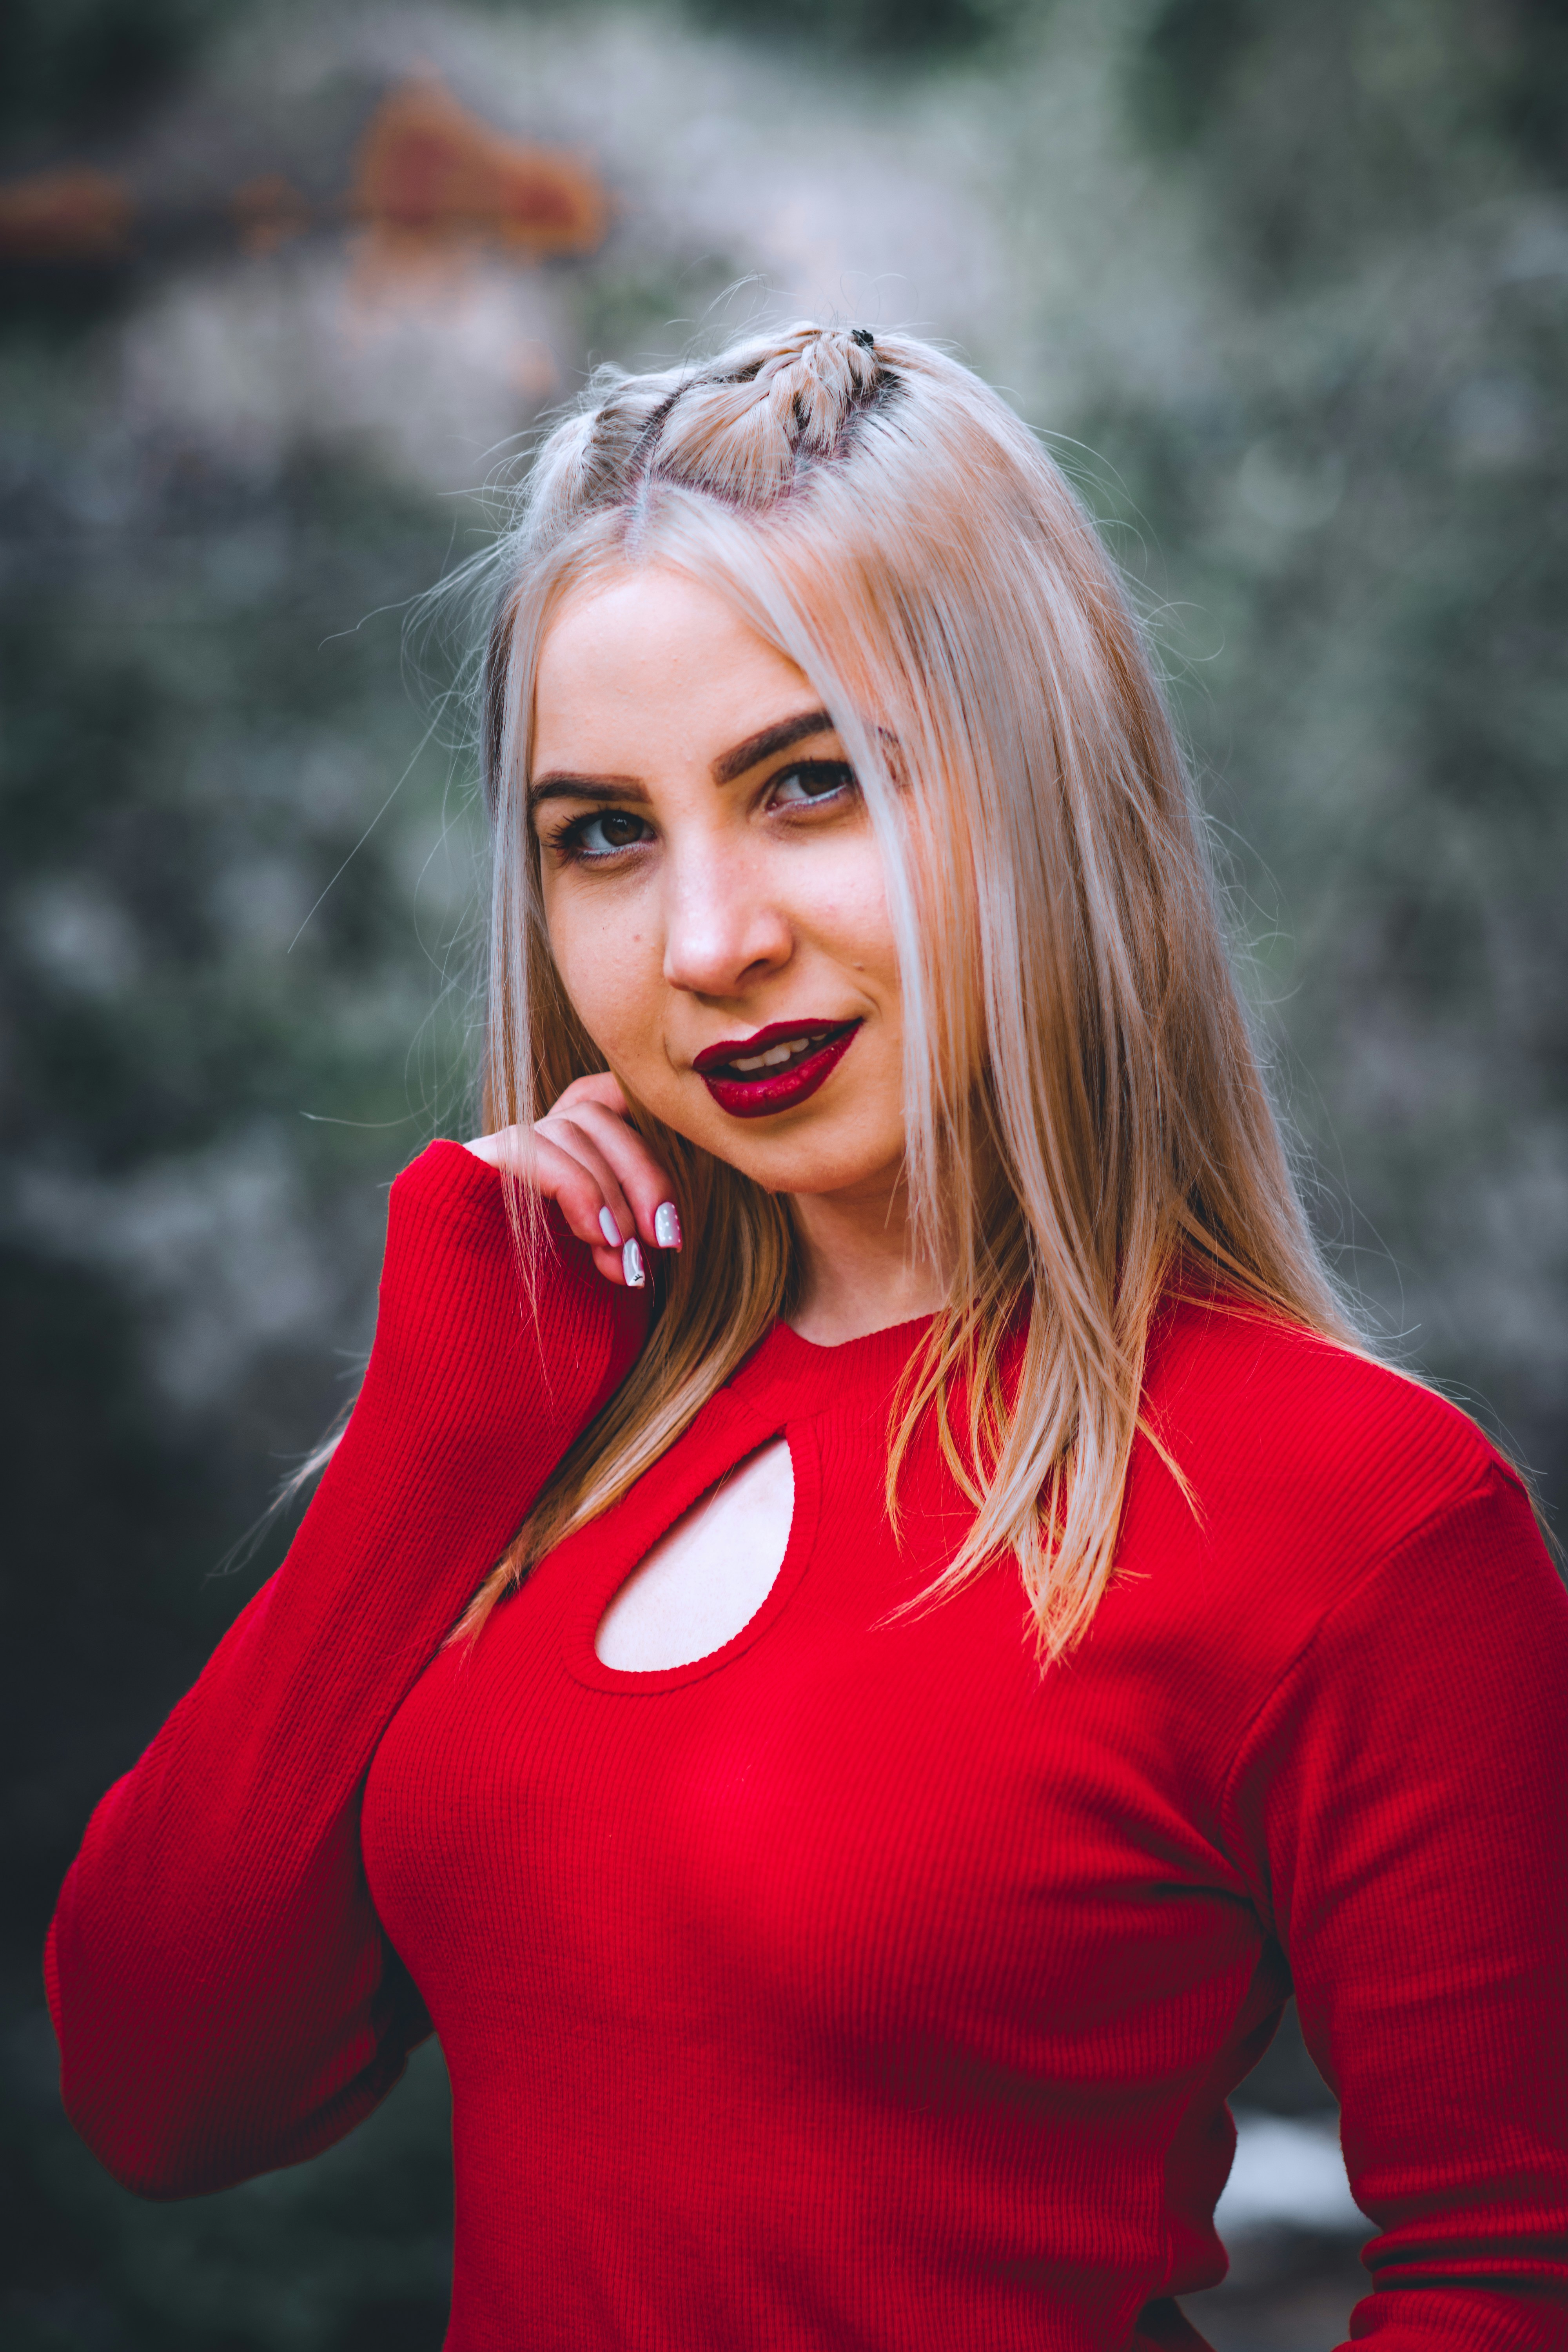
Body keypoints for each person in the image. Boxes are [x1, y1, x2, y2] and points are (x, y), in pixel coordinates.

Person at [47, 325, 1568, 2352]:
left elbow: (1512, 2273)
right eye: (605, 833)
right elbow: (170, 2091)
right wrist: (428, 1448)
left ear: (1045, 793)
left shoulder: (1361, 1515)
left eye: (807, 785)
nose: (706, 941)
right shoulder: (549, 1434)